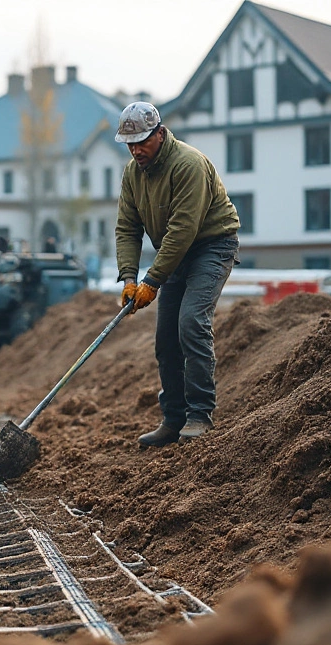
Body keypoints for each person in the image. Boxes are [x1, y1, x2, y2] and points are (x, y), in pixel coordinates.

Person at [113, 101, 240, 446]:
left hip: (211, 247)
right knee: (166, 338)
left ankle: (200, 414)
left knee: (191, 322)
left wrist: (152, 281)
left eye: (142, 141)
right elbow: (127, 228)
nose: (136, 150)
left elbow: (183, 230)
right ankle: (174, 419)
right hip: (175, 256)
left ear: (160, 133)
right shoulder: (132, 174)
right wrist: (128, 279)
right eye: (130, 144)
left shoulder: (188, 164)